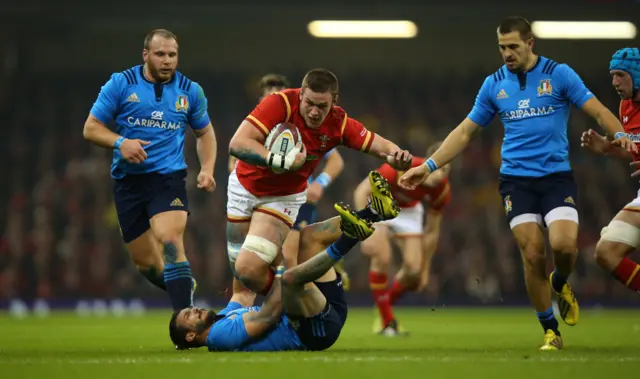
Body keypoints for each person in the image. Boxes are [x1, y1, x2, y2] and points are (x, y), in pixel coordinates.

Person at [398, 16, 635, 350]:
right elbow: (466, 131)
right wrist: (431, 165)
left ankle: (561, 280)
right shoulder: (494, 85)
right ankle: (550, 330)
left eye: (513, 46)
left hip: (556, 179)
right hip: (516, 182)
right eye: (502, 47)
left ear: (530, 44)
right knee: (533, 253)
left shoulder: (559, 75)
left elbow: (597, 110)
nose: (507, 53)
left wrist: (620, 133)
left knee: (565, 248)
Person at [226, 68, 412, 297]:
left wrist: (395, 154)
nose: (314, 112)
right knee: (239, 270)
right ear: (301, 94)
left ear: (334, 101)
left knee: (253, 267)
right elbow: (236, 144)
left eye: (322, 106)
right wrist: (281, 161)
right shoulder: (279, 104)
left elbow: (373, 142)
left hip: (282, 197)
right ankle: (244, 312)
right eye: (310, 103)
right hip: (242, 188)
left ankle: (293, 309)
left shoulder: (337, 123)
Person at [83, 29, 218, 312]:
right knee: (146, 264)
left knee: (170, 240)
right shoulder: (121, 84)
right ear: (146, 55)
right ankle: (183, 286)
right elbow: (91, 128)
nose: (167, 60)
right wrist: (121, 143)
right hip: (128, 183)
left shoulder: (190, 91)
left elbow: (205, 133)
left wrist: (207, 169)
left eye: (172, 55)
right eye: (160, 54)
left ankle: (184, 321)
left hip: (167, 179)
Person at [169, 195, 389, 351]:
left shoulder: (224, 317)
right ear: (190, 336)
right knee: (290, 279)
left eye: (189, 309)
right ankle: (350, 238)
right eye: (189, 315)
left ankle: (373, 212)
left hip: (317, 311)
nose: (194, 309)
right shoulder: (218, 337)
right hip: (313, 332)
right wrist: (280, 265)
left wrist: (242, 242)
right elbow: (270, 314)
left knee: (310, 237)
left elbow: (242, 293)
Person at [227, 74, 349, 298]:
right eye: (269, 98)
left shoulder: (305, 129)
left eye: (280, 95)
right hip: (254, 199)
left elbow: (336, 160)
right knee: (249, 262)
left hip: (291, 200)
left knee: (288, 258)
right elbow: (233, 164)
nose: (275, 100)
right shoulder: (255, 129)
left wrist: (320, 184)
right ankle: (248, 307)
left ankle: (296, 310)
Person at [354, 141, 451, 336]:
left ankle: (383, 305)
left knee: (414, 272)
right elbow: (361, 191)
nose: (440, 175)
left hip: (409, 211)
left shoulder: (441, 189)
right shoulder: (401, 168)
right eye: (437, 168)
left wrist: (425, 268)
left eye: (445, 170)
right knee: (382, 256)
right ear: (427, 162)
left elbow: (432, 231)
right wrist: (363, 229)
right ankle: (388, 321)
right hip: (381, 203)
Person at [581, 47, 640, 293]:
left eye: (620, 75)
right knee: (606, 252)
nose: (614, 82)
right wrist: (607, 147)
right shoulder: (625, 108)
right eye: (612, 75)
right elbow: (633, 150)